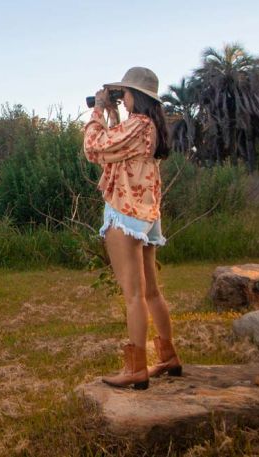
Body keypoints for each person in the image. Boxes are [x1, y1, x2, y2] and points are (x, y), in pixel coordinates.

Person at [82, 66, 182, 390]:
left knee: (134, 294)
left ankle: (136, 367)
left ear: (135, 96)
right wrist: (111, 115)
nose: (121, 99)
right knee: (151, 291)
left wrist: (98, 110)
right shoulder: (148, 126)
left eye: (123, 93)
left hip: (125, 211)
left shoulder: (138, 124)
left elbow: (94, 148)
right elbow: (115, 150)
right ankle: (167, 355)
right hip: (146, 212)